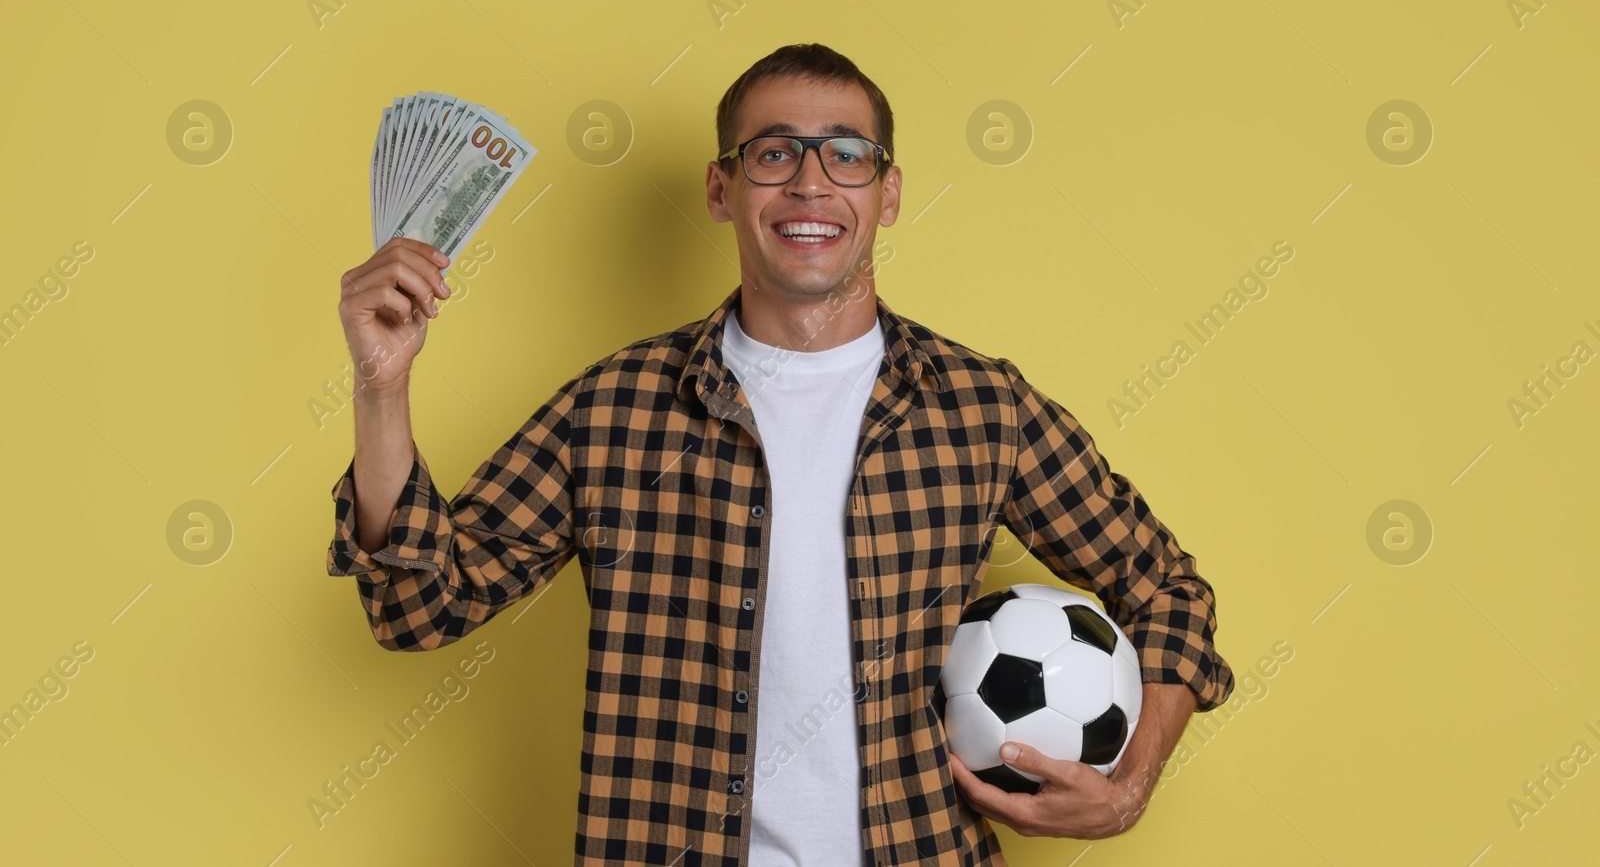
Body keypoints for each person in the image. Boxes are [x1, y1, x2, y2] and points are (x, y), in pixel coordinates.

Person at [327, 43, 1234, 867]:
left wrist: (1128, 787)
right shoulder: (613, 408)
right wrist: (381, 388)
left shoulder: (981, 409)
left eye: (847, 154)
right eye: (774, 153)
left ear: (889, 192)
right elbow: (418, 604)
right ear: (724, 190)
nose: (810, 182)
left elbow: (1168, 591)